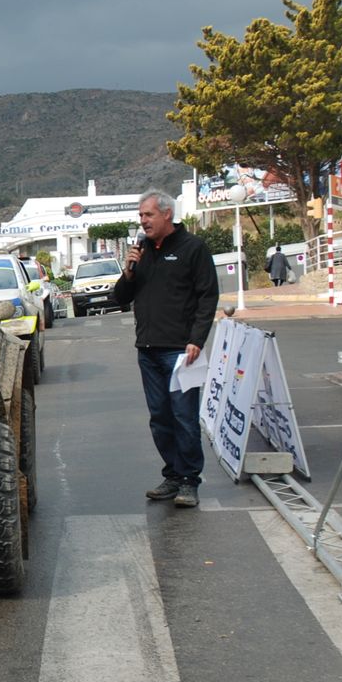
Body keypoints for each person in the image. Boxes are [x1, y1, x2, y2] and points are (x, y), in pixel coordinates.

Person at [112, 189, 219, 509]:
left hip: (181, 351)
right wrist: (129, 270)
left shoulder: (193, 248)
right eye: (140, 216)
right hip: (148, 350)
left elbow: (207, 297)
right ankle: (172, 475)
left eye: (148, 215)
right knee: (160, 418)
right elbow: (121, 298)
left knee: (184, 417)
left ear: (167, 214)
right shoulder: (141, 251)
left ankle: (189, 481)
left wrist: (197, 339)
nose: (142, 221)